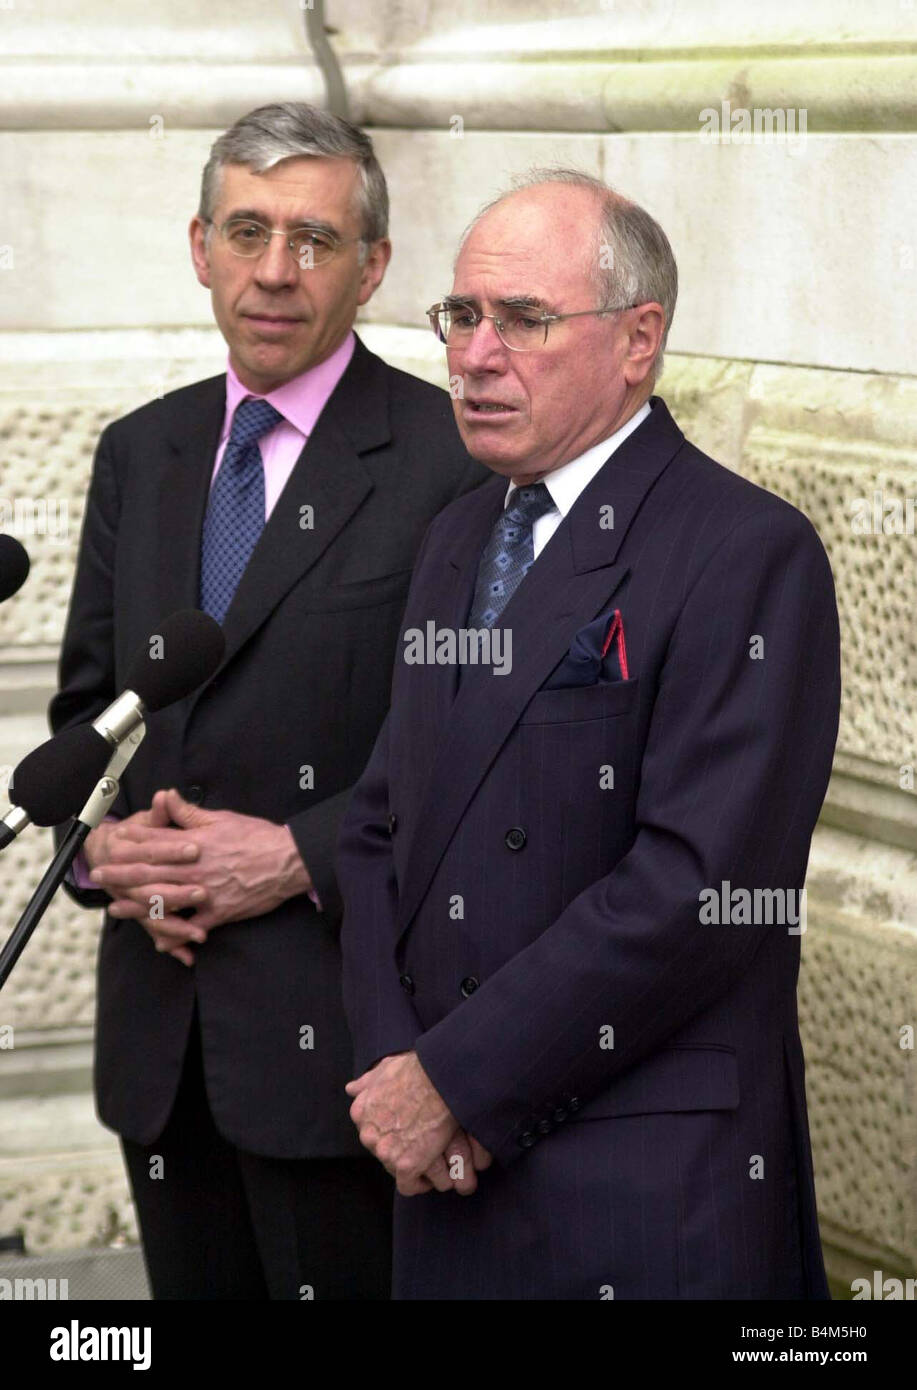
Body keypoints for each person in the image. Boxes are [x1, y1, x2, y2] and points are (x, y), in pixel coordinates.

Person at [337, 168, 840, 1300]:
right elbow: (379, 828)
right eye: (460, 315)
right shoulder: (456, 538)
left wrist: (456, 1083)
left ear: (637, 340)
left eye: (522, 319)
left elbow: (691, 890)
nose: (472, 354)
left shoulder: (744, 552)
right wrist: (392, 1077)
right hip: (444, 1182)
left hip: (638, 1191)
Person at [50, 102, 485, 1300]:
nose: (274, 271)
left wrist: (293, 854)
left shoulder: (449, 463)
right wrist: (105, 858)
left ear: (373, 266)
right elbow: (88, 718)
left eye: (314, 239)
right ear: (200, 248)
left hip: (342, 1056)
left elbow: (473, 760)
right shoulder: (141, 451)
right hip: (158, 1044)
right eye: (246, 232)